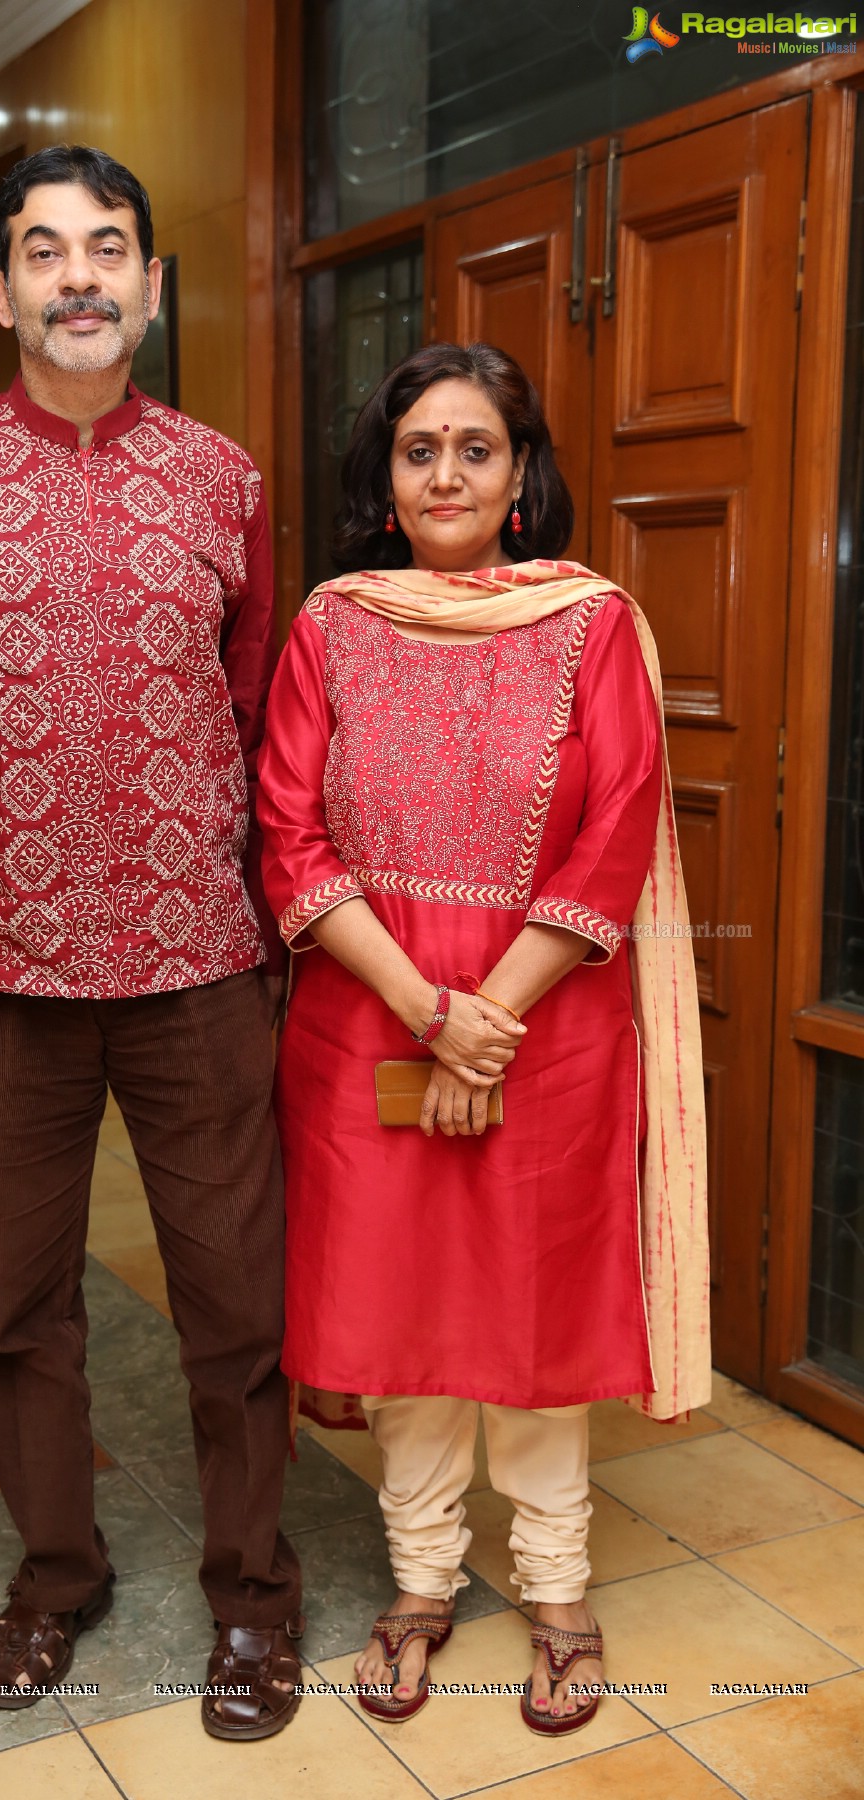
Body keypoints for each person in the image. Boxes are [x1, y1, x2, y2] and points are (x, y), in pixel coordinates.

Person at [0, 145, 303, 1739]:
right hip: (2, 983)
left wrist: (271, 944)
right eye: (47, 253)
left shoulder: (226, 480)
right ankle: (55, 1576)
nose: (81, 277)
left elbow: (257, 734)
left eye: (110, 248)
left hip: (197, 974)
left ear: (154, 284)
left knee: (238, 1300)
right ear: (1, 290)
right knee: (22, 1307)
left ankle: (254, 1593)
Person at [257, 341, 708, 1734]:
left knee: (531, 1308)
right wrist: (424, 1012)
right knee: (399, 1319)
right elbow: (287, 829)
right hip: (368, 1020)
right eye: (417, 448)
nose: (445, 472)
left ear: (522, 476)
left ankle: (558, 1590)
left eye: (476, 447)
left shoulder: (591, 621)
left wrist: (487, 1016)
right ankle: (420, 1584)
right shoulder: (333, 622)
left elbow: (617, 824)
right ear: (384, 477)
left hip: (549, 1027)